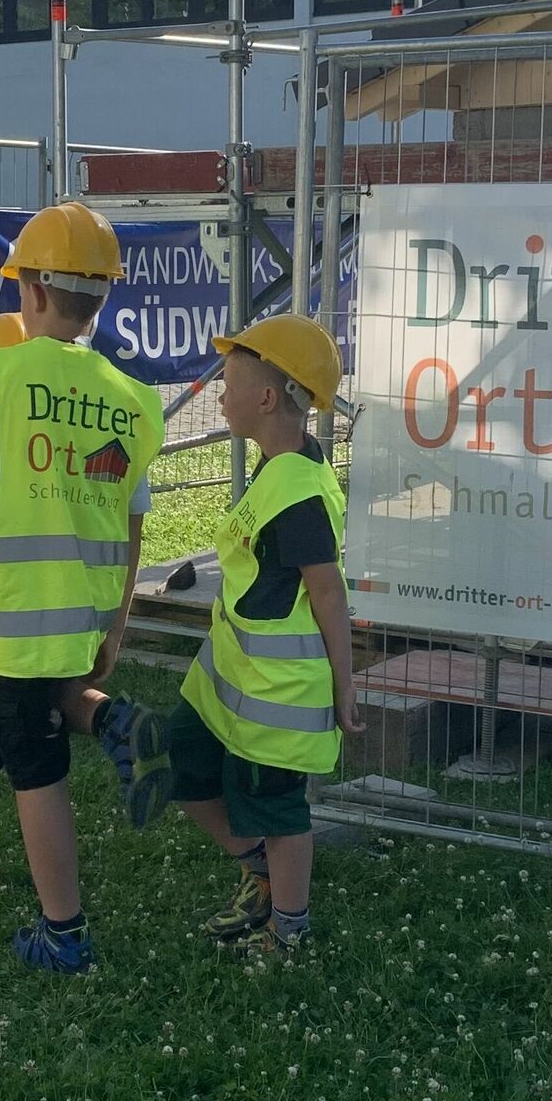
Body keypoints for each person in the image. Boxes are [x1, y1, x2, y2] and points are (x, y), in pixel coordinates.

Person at [0, 201, 165, 972]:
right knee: (47, 717)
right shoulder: (136, 401)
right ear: (102, 298)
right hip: (82, 619)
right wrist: (117, 630)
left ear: (30, 292)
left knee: (36, 776)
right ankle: (114, 721)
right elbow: (134, 532)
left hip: (6, 623)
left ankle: (64, 933)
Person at [171, 313, 362, 957]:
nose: (219, 395)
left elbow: (328, 593)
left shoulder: (300, 490)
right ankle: (259, 874)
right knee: (186, 761)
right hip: (229, 682)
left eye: (228, 382)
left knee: (279, 809)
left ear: (266, 397)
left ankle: (290, 927)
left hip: (278, 698)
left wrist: (344, 688)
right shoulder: (278, 466)